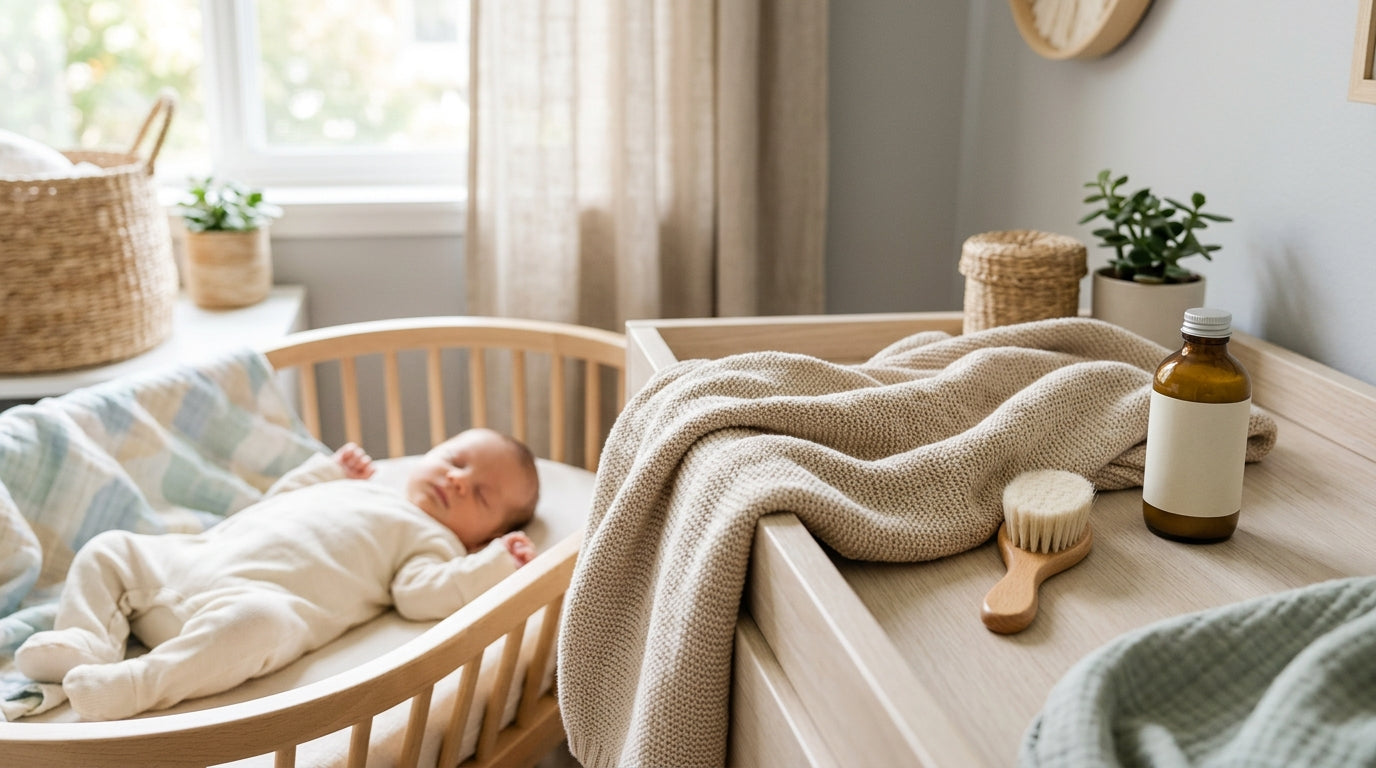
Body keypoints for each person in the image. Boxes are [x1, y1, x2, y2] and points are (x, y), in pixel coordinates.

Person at [14, 428, 540, 721]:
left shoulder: (434, 542)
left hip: (253, 598)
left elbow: (420, 596)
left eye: (482, 494)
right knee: (110, 549)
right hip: (190, 561)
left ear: (478, 537)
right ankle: (84, 641)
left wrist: (491, 567)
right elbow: (278, 503)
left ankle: (136, 684)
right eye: (455, 459)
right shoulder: (369, 486)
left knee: (256, 624)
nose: (458, 480)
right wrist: (325, 471)